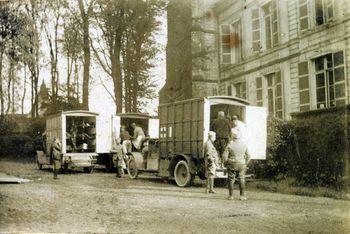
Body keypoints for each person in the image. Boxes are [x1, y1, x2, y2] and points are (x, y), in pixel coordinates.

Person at [222, 130, 251, 201]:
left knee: (231, 179)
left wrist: (225, 163)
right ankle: (242, 196)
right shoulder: (244, 145)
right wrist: (245, 163)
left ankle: (231, 196)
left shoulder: (230, 145)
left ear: (233, 137)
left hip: (232, 164)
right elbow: (249, 156)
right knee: (241, 179)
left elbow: (224, 156)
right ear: (240, 137)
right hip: (242, 164)